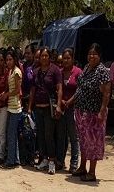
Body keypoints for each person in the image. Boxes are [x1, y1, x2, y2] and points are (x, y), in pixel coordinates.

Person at [65, 43, 112, 182]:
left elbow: (106, 94)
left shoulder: (102, 71)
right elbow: (80, 89)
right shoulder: (86, 68)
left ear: (99, 55)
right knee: (84, 141)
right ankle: (82, 167)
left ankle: (92, 172)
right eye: (90, 53)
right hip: (82, 111)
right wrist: (70, 101)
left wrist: (102, 111)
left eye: (94, 54)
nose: (91, 56)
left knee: (94, 142)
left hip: (94, 113)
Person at [28, 47, 64, 175]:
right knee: (41, 135)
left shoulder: (55, 70)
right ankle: (43, 159)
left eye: (45, 55)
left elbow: (59, 89)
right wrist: (29, 107)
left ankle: (52, 161)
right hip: (38, 108)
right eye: (41, 56)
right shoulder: (36, 71)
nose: (43, 58)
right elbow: (33, 90)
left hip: (49, 108)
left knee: (49, 135)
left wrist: (59, 105)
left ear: (49, 57)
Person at [59, 48, 82, 172]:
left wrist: (70, 101)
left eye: (68, 58)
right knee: (62, 136)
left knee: (74, 137)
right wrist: (61, 100)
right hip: (62, 108)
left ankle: (74, 163)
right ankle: (61, 161)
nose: (66, 60)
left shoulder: (78, 72)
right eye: (64, 58)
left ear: (72, 59)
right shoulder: (60, 72)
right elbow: (57, 88)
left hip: (73, 108)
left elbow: (80, 90)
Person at [3, 50, 23, 169]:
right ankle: (15, 159)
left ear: (14, 60)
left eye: (10, 59)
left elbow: (17, 90)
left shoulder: (16, 72)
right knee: (12, 134)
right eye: (7, 60)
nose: (8, 62)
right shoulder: (11, 71)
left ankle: (11, 160)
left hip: (15, 106)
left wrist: (6, 95)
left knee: (11, 134)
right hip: (11, 106)